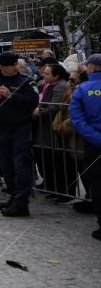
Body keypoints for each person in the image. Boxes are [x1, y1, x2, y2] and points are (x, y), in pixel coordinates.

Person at [0, 51, 39, 217]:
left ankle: (22, 203)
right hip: (0, 127)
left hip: (20, 128)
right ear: (2, 66)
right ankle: (13, 196)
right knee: (5, 165)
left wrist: (12, 96)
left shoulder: (25, 80)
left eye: (15, 64)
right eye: (11, 66)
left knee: (21, 164)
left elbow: (33, 101)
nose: (14, 68)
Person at [68, 53, 101, 241]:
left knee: (97, 184)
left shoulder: (82, 89)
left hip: (93, 144)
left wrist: (96, 138)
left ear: (91, 68)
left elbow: (77, 120)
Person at [35, 63, 73, 201]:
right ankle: (53, 186)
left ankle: (63, 190)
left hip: (55, 128)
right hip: (46, 127)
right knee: (49, 160)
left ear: (56, 76)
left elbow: (55, 107)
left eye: (47, 74)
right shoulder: (49, 85)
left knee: (59, 162)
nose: (43, 75)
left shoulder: (61, 86)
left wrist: (38, 113)